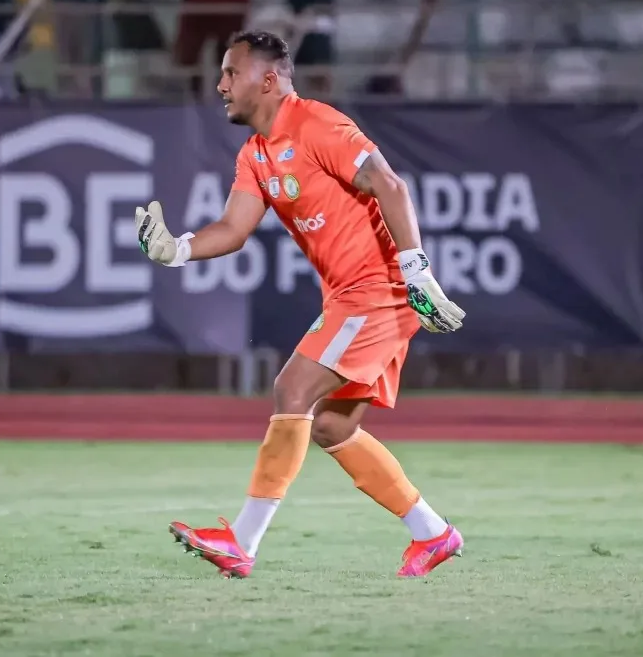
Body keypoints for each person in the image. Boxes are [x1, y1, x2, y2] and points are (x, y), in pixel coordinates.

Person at [134, 30, 466, 579]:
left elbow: (390, 184)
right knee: (333, 428)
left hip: (377, 288)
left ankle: (241, 542)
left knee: (292, 389)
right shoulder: (256, 152)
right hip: (351, 293)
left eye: (230, 73)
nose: (220, 85)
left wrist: (416, 272)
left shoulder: (317, 124)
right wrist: (176, 250)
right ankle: (434, 534)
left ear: (267, 80)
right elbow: (234, 229)